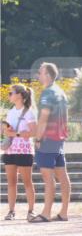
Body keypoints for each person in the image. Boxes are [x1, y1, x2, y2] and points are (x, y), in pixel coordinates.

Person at [30, 62, 71, 223]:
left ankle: (46, 213)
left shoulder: (47, 93)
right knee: (62, 176)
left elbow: (43, 118)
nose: (38, 75)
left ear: (47, 75)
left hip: (47, 140)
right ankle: (64, 212)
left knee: (48, 178)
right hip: (59, 140)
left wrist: (38, 138)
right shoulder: (60, 92)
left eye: (40, 72)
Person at [3, 84, 37, 221]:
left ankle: (31, 211)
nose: (9, 95)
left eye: (11, 93)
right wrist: (5, 130)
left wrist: (15, 134)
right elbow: (7, 130)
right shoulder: (11, 112)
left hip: (24, 150)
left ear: (19, 95)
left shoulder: (28, 112)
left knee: (27, 182)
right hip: (10, 150)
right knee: (11, 182)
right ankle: (11, 211)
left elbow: (34, 132)